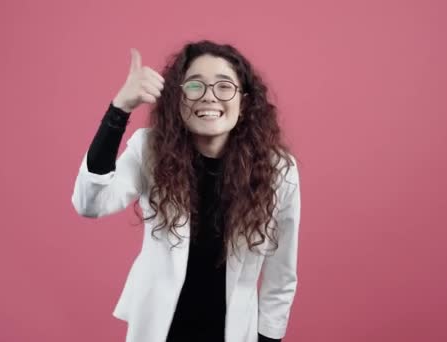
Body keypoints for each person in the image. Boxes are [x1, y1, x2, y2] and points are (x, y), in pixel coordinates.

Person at [71, 40, 301, 342]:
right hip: (159, 329)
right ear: (178, 100)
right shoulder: (150, 149)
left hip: (232, 332)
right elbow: (90, 203)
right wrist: (120, 109)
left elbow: (281, 276)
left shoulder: (278, 170)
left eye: (223, 87)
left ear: (244, 104)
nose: (209, 97)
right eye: (195, 86)